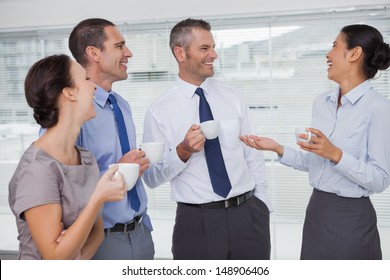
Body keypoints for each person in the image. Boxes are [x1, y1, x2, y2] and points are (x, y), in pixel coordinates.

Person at [241, 24, 390, 260]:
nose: (327, 54)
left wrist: (336, 154)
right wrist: (277, 148)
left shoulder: (379, 109)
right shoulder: (323, 103)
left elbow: (380, 179)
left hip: (351, 219)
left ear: (354, 54)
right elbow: (316, 163)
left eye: (334, 46)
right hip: (317, 211)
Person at [142, 18, 271, 260]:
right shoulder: (159, 112)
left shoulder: (233, 97)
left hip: (248, 217)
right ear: (180, 53)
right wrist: (183, 151)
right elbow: (151, 177)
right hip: (196, 223)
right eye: (204, 48)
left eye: (213, 47)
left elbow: (252, 154)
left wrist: (262, 207)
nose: (214, 54)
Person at [8, 54, 127, 260]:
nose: (95, 88)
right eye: (87, 80)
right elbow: (55, 258)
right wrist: (97, 199)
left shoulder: (87, 159)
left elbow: (96, 235)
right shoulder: (37, 170)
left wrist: (70, 257)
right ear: (69, 93)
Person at [68, 18, 154, 260]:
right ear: (94, 53)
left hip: (141, 233)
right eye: (119, 46)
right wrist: (120, 169)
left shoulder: (121, 105)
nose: (129, 53)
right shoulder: (70, 112)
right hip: (101, 242)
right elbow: (61, 183)